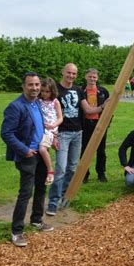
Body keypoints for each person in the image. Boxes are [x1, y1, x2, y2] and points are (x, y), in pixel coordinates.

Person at [0, 72, 54, 247]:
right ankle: (17, 231)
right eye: (31, 85)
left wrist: (50, 139)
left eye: (37, 85)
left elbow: (40, 125)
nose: (35, 88)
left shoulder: (37, 103)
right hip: (27, 155)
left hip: (41, 152)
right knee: (26, 192)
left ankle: (37, 220)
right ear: (23, 86)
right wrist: (24, 150)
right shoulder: (15, 107)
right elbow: (6, 133)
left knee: (41, 188)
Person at [46, 63, 106, 216]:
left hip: (77, 133)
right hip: (63, 134)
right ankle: (53, 202)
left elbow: (87, 110)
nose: (71, 76)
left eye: (74, 73)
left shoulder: (78, 90)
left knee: (72, 167)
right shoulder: (56, 90)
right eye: (69, 72)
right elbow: (50, 113)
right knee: (60, 168)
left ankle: (66, 196)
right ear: (63, 72)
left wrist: (103, 106)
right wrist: (54, 135)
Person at [81, 68, 111, 183]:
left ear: (97, 78)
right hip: (85, 124)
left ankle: (101, 173)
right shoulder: (81, 91)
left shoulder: (103, 91)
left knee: (101, 150)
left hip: (100, 124)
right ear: (85, 77)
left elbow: (110, 108)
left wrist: (107, 123)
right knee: (84, 150)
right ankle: (84, 174)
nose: (92, 79)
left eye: (94, 77)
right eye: (90, 76)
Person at [38, 77, 63, 185]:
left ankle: (50, 170)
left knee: (42, 149)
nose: (44, 94)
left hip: (50, 130)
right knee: (43, 151)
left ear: (52, 91)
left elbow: (60, 117)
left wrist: (53, 125)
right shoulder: (38, 101)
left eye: (47, 91)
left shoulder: (55, 102)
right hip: (40, 129)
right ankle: (44, 173)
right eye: (42, 91)